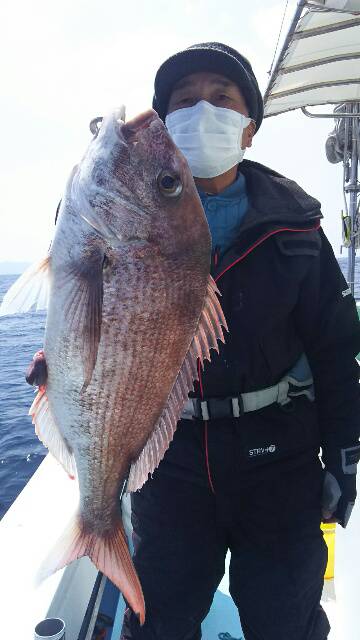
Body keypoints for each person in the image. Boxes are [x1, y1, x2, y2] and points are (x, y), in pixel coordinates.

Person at [121, 42, 360, 640]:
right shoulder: (125, 220)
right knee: (159, 622)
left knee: (286, 623)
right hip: (168, 465)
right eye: (184, 101)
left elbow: (336, 349)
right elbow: (97, 317)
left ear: (248, 129)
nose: (203, 111)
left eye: (221, 99)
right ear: (165, 126)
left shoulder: (298, 228)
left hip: (278, 467)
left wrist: (345, 453)